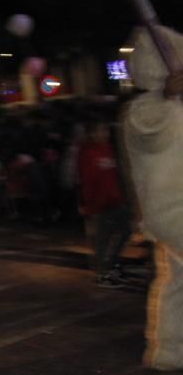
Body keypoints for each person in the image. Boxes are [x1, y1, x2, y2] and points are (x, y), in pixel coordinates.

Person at [123, 25, 183, 370]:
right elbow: (151, 133)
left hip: (170, 210)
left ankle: (169, 351)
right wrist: (166, 96)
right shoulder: (145, 108)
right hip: (173, 209)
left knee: (177, 281)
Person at [77, 119, 132, 288]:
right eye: (101, 130)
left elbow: (116, 175)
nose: (105, 134)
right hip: (99, 204)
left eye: (106, 131)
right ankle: (102, 274)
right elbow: (86, 181)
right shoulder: (86, 152)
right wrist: (89, 205)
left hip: (116, 200)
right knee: (103, 240)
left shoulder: (108, 148)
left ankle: (112, 265)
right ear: (92, 133)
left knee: (126, 232)